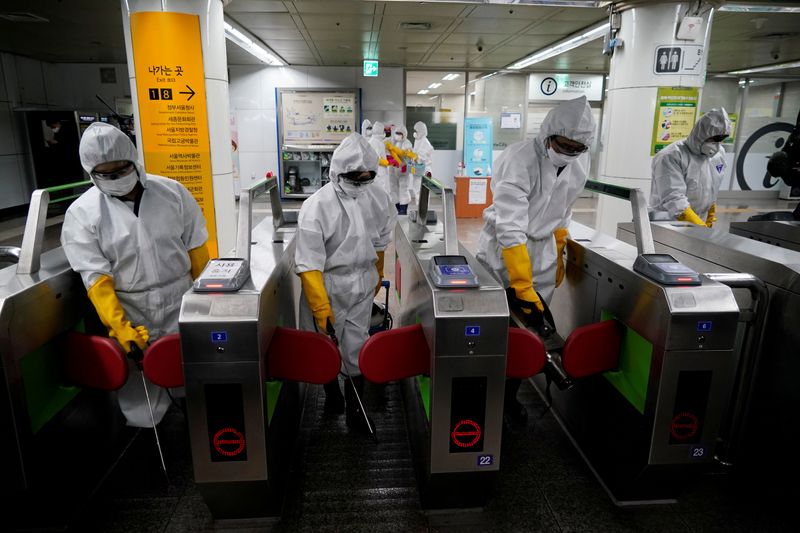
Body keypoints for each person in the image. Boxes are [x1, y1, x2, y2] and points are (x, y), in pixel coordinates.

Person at [60, 122, 210, 427]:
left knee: (191, 377)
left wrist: (206, 302)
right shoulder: (83, 213)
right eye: (106, 173)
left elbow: (197, 249)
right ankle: (146, 443)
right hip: (131, 308)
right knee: (141, 397)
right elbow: (96, 278)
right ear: (91, 172)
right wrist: (120, 326)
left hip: (181, 298)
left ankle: (194, 436)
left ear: (134, 159)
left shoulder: (172, 193)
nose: (117, 178)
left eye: (122, 168)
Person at [476, 96, 595, 427]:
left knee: (531, 333)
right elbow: (510, 223)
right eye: (563, 145)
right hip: (502, 253)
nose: (568, 152)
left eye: (576, 148)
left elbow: (564, 210)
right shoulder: (518, 159)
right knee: (494, 330)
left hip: (541, 252)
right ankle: (483, 394)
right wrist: (520, 282)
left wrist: (559, 246)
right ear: (548, 134)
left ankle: (510, 395)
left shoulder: (579, 165)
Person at [295, 132, 395, 433]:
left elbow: (380, 243)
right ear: (337, 172)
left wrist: (376, 275)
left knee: (357, 346)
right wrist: (319, 304)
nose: (360, 183)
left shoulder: (378, 197)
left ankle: (356, 412)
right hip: (328, 286)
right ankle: (332, 396)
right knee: (326, 347)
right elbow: (309, 261)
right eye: (354, 177)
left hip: (361, 286)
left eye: (367, 177)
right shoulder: (317, 206)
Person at [649, 108, 732, 227]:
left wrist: (710, 212)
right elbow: (674, 199)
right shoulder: (671, 156)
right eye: (713, 139)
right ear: (701, 135)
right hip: (668, 222)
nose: (716, 146)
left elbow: (712, 188)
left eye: (720, 140)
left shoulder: (718, 155)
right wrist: (698, 226)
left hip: (698, 222)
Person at [386, 124, 414, 215]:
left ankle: (403, 209)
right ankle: (397, 207)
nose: (398, 135)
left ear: (404, 134)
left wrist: (402, 159)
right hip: (392, 170)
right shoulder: (393, 141)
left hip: (402, 170)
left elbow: (407, 155)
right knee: (393, 188)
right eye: (396, 133)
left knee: (403, 189)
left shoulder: (407, 143)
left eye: (400, 133)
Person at [410, 121, 435, 206]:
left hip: (425, 170)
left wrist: (414, 156)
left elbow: (421, 157)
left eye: (416, 131)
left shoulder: (425, 142)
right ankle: (420, 211)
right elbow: (415, 153)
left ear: (421, 131)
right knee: (417, 190)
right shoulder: (418, 140)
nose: (415, 133)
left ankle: (423, 212)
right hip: (419, 170)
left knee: (423, 192)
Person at [367, 120, 391, 193]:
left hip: (377, 172)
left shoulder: (374, 141)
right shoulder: (376, 142)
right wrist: (387, 162)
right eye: (383, 130)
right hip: (379, 173)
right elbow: (377, 158)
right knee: (381, 193)